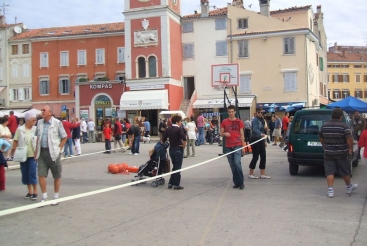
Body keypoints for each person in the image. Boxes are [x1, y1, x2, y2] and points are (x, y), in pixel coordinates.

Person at [319, 108, 358, 198]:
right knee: (344, 171)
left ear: (332, 116)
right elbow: (349, 139)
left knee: (329, 172)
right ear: (341, 117)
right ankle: (348, 187)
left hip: (328, 153)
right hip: (342, 153)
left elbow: (321, 137)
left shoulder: (324, 126)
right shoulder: (344, 126)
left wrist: (324, 145)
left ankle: (330, 191)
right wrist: (350, 149)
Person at [34, 105, 67, 205]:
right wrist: (36, 151)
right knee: (41, 174)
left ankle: (55, 196)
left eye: (44, 110)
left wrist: (59, 149)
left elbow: (64, 137)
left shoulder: (57, 123)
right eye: (42, 110)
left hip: (53, 153)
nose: (42, 111)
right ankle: (44, 197)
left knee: (56, 175)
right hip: (42, 152)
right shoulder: (39, 123)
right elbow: (37, 138)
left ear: (50, 113)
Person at [11, 111, 38, 199]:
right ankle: (29, 192)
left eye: (35, 119)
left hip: (32, 154)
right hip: (23, 154)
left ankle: (35, 191)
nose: (35, 121)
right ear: (27, 120)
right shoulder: (20, 129)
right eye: (33, 119)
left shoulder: (35, 129)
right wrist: (14, 152)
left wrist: (37, 152)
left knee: (32, 172)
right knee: (25, 173)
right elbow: (15, 141)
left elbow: (38, 142)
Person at [220, 105, 246, 189]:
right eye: (229, 112)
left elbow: (242, 134)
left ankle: (241, 182)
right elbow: (221, 133)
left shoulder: (239, 121)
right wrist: (224, 134)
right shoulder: (224, 121)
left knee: (237, 163)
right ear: (228, 112)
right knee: (232, 165)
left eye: (232, 112)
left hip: (237, 145)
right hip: (228, 146)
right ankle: (236, 182)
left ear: (235, 112)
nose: (231, 113)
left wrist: (243, 146)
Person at [162, 115, 186, 190]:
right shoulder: (179, 129)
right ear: (177, 122)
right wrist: (184, 145)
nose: (181, 123)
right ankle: (176, 184)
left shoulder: (168, 129)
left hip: (171, 148)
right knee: (178, 167)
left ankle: (170, 182)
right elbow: (184, 137)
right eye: (180, 121)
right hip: (178, 148)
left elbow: (163, 139)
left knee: (174, 166)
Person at [248, 108, 270, 179]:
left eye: (261, 112)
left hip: (261, 139)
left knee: (263, 156)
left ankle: (262, 173)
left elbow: (263, 130)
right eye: (259, 112)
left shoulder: (262, 120)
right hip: (255, 139)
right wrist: (261, 134)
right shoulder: (255, 120)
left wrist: (264, 141)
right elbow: (255, 129)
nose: (260, 114)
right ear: (256, 113)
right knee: (255, 156)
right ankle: (251, 173)